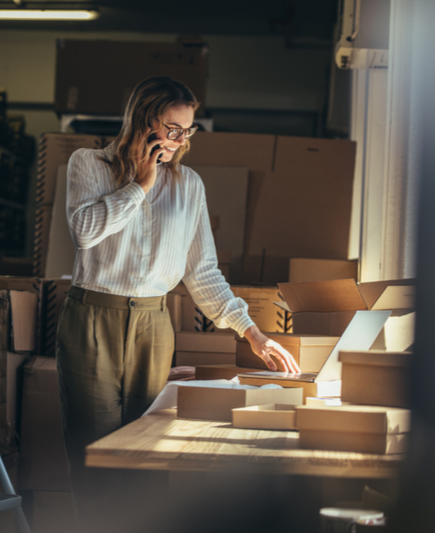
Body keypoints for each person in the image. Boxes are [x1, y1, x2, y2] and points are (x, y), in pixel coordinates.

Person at [55, 75, 300, 532]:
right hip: (93, 318)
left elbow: (202, 271)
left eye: (188, 130)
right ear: (144, 120)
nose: (181, 140)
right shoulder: (89, 163)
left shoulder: (189, 185)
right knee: (95, 450)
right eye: (173, 128)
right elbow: (84, 233)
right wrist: (141, 185)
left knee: (148, 451)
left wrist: (253, 331)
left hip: (153, 323)